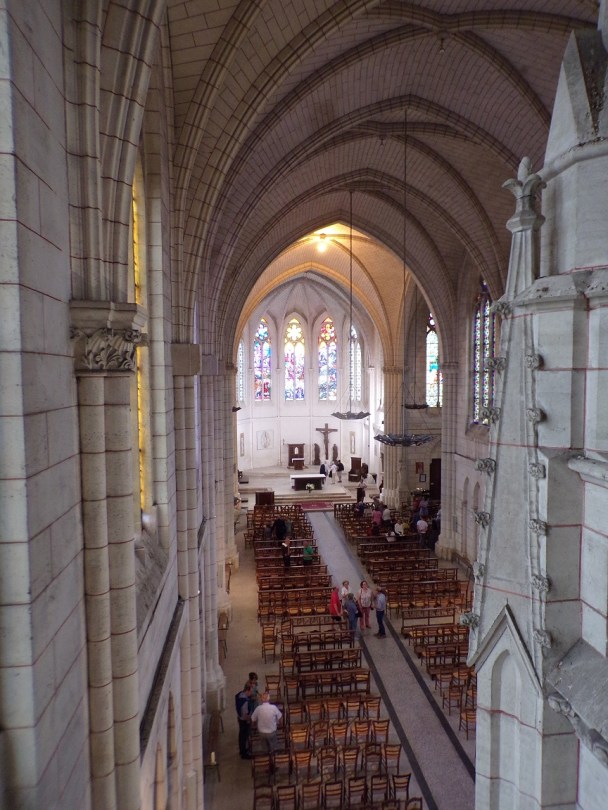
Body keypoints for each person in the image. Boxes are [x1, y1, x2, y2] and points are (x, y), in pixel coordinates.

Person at [235, 683, 254, 758]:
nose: (251, 693)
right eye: (251, 691)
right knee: (244, 737)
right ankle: (244, 753)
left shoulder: (240, 695)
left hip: (240, 718)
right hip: (244, 721)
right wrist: (250, 719)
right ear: (247, 690)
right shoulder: (245, 701)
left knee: (241, 736)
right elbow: (245, 715)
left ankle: (242, 750)